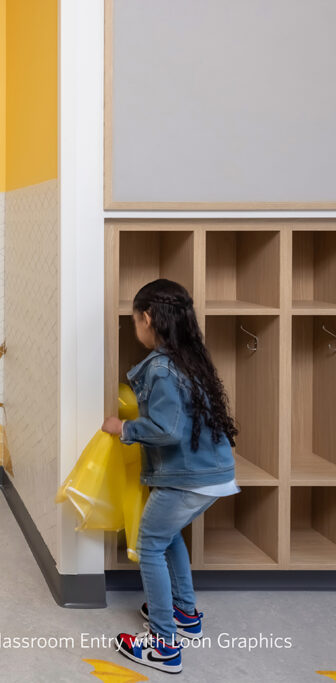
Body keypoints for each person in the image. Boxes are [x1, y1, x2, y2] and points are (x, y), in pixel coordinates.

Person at [101, 279, 238, 675]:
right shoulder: (188, 358)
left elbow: (166, 429)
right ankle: (184, 613)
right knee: (167, 534)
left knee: (148, 545)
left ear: (147, 317)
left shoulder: (161, 368)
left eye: (134, 322)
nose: (135, 329)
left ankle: (163, 645)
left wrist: (123, 429)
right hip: (212, 473)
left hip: (188, 477)